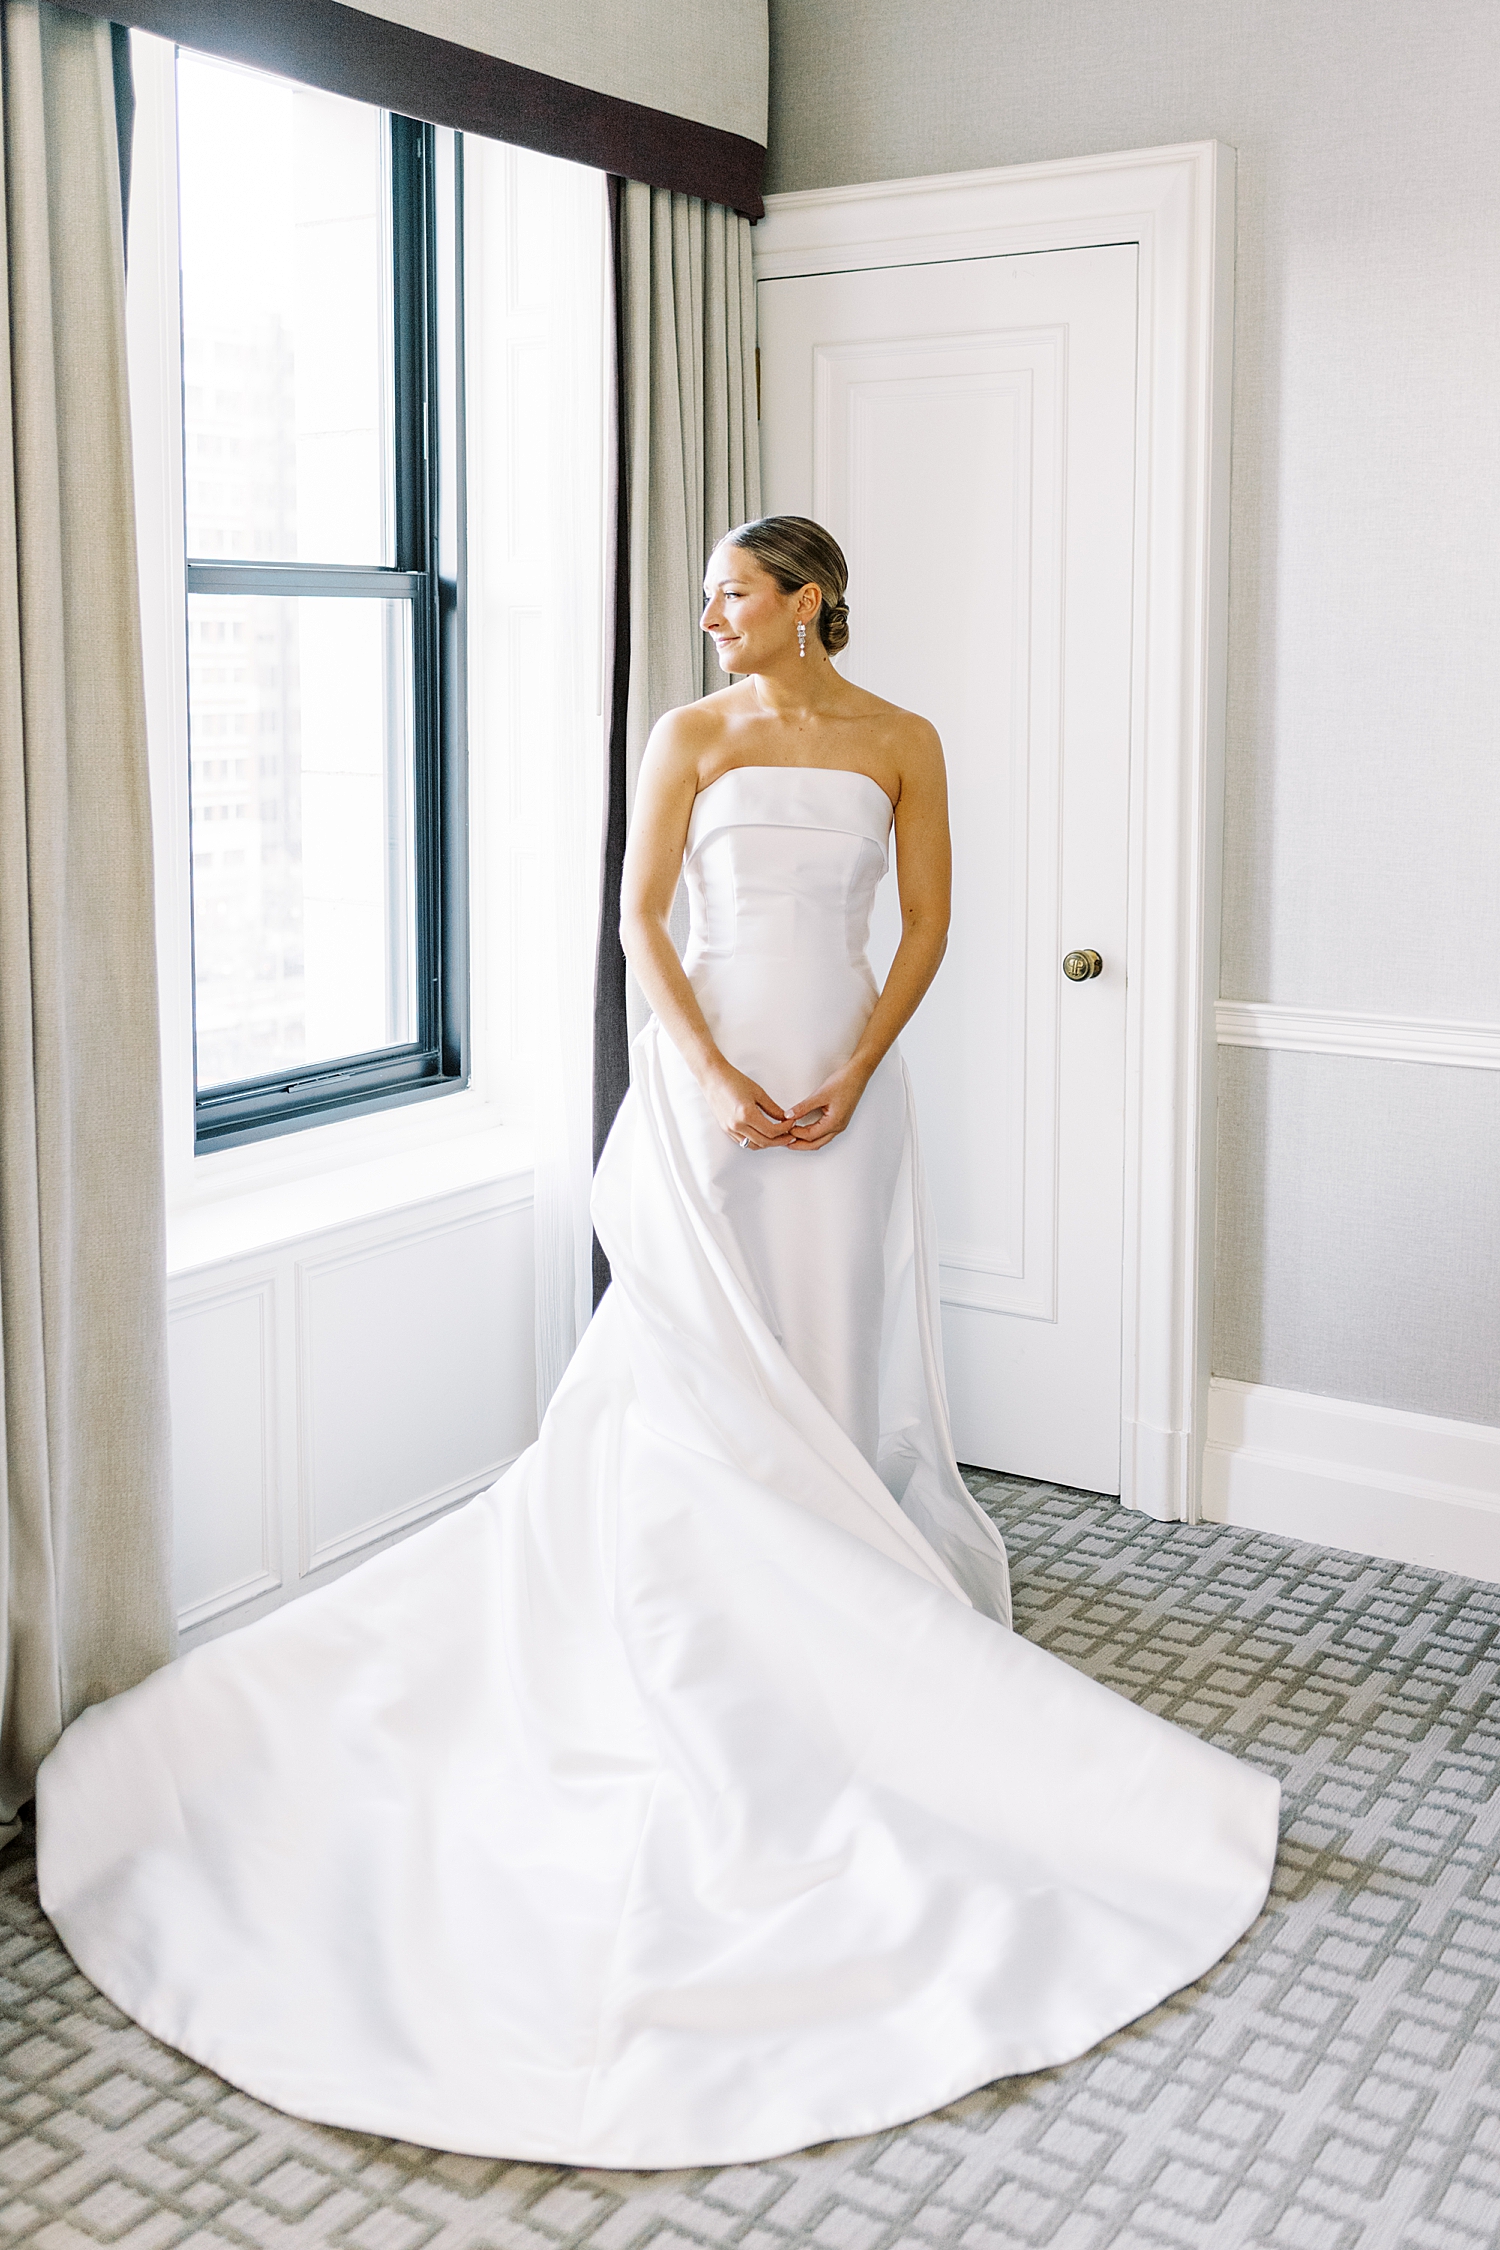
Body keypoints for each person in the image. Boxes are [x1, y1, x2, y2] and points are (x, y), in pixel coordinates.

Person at [37, 516, 1279, 2172]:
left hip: (844, 1088)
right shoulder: (687, 734)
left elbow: (924, 926)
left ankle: (845, 1596)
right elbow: (640, 925)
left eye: (736, 592)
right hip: (713, 1091)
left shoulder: (900, 738)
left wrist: (850, 1070)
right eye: (705, 593)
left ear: (813, 597)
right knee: (696, 1361)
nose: (709, 616)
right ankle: (708, 1607)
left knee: (826, 1341)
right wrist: (705, 1083)